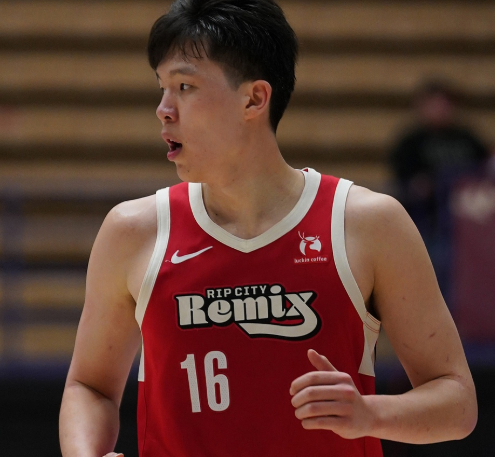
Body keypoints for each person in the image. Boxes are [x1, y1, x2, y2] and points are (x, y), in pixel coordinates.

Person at [59, 1, 477, 456]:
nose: (163, 109)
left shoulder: (368, 223)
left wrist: (370, 414)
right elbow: (89, 387)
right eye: (162, 88)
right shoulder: (133, 231)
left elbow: (456, 402)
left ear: (255, 99)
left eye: (184, 86)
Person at [389, 80, 489, 300]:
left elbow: (484, 173)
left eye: (444, 104)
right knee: (435, 262)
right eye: (434, 104)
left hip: (468, 220)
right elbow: (404, 182)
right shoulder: (411, 142)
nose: (440, 109)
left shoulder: (467, 139)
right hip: (429, 221)